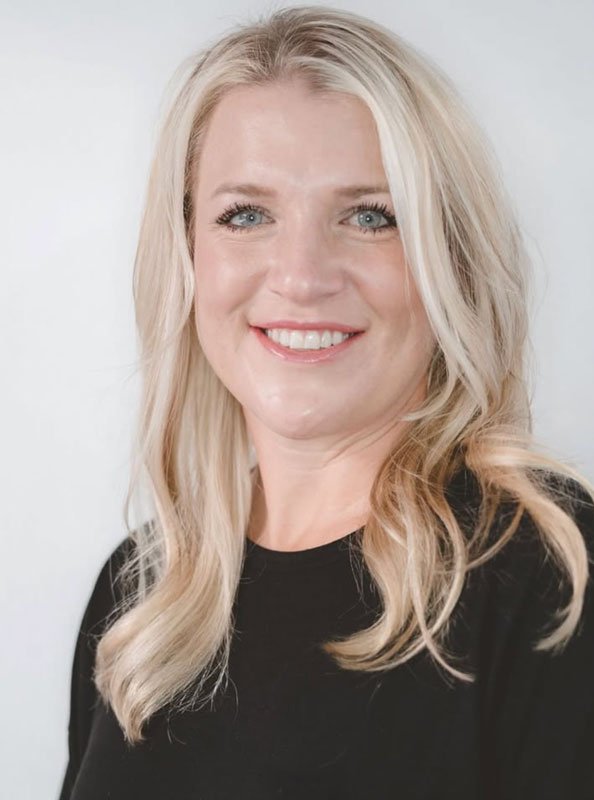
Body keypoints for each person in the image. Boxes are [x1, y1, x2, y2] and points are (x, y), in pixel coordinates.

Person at [58, 5, 594, 799]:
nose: (303, 276)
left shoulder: (547, 574)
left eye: (371, 216)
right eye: (247, 215)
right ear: (187, 258)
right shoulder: (145, 590)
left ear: (452, 261)